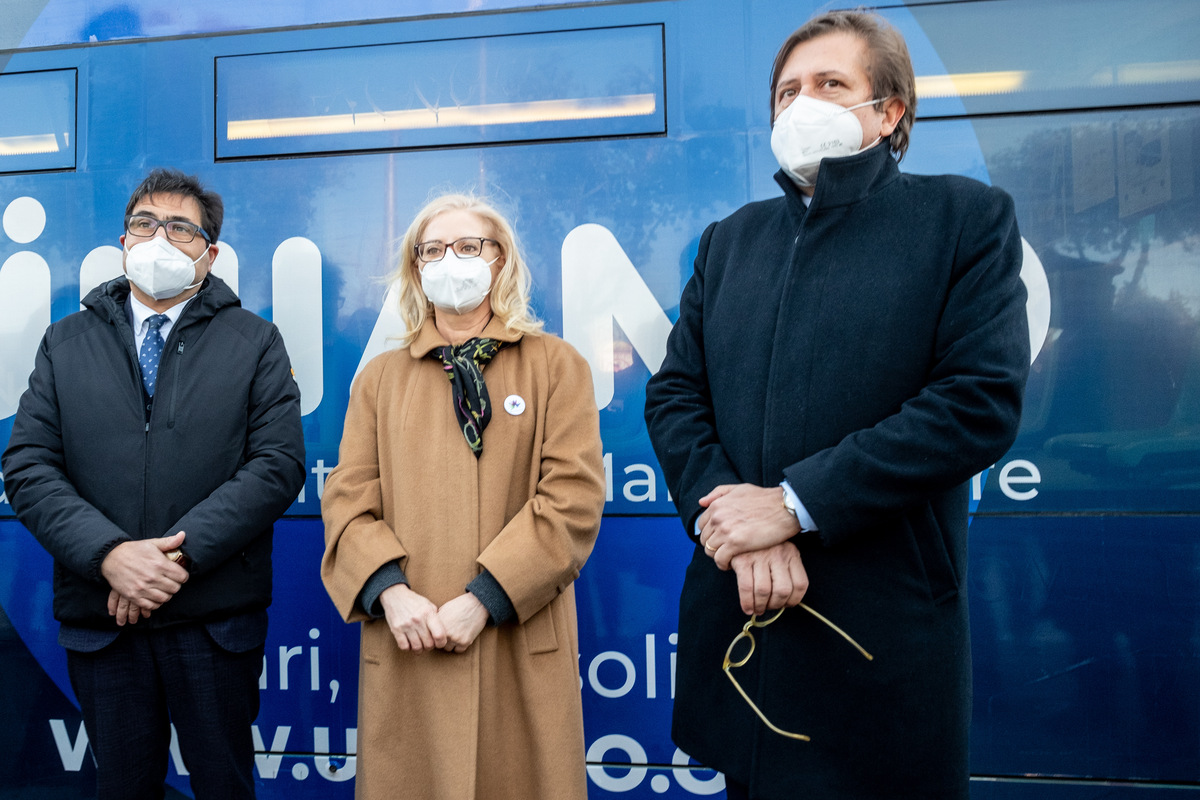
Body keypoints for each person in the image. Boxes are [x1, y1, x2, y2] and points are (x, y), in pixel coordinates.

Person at [644, 10, 1030, 800]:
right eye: (786, 92)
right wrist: (739, 529)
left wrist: (793, 505)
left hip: (878, 639)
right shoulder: (731, 240)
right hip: (746, 624)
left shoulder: (963, 219)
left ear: (889, 112)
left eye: (829, 84)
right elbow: (675, 396)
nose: (801, 104)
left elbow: (977, 400)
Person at [2, 168, 306, 800]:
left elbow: (276, 465)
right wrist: (111, 556)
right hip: (102, 619)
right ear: (123, 241)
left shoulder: (254, 341)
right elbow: (29, 466)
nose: (159, 239)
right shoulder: (65, 343)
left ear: (211, 253)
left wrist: (171, 561)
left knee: (224, 784)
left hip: (214, 625)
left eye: (181, 228)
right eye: (145, 224)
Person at [320, 193, 605, 800]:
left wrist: (483, 599)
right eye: (432, 249)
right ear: (416, 269)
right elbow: (347, 500)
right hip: (410, 641)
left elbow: (572, 501)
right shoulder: (379, 379)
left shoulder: (556, 366)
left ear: (499, 261)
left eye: (468, 246)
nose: (450, 260)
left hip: (515, 639)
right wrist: (390, 594)